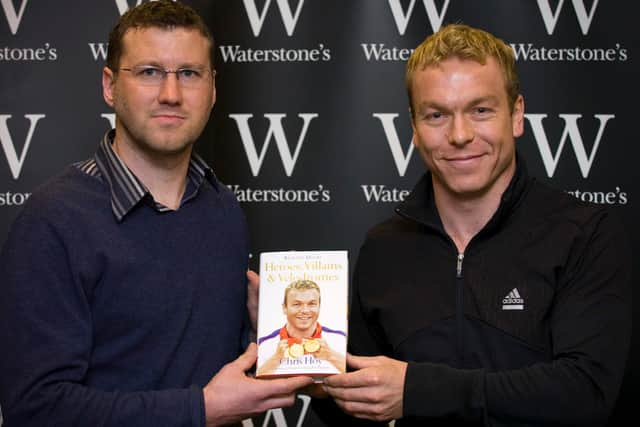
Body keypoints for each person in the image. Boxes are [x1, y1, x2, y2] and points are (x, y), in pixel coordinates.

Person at [0, 1, 312, 426]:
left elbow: (216, 368)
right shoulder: (53, 222)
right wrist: (200, 410)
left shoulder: (223, 210)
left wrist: (271, 331)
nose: (171, 93)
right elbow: (36, 409)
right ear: (110, 86)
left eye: (189, 73)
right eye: (149, 72)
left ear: (213, 88)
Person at [319, 24, 632, 426]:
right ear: (414, 129)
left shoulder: (584, 233)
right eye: (436, 115)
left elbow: (586, 392)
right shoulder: (384, 248)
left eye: (480, 110)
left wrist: (417, 390)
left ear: (516, 115)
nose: (460, 135)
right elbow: (355, 412)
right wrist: (309, 353)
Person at [257, 279, 346, 376]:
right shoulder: (264, 344)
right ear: (284, 308)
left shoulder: (340, 339)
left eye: (312, 304)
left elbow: (351, 374)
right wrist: (275, 359)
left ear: (319, 306)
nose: (305, 310)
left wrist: (330, 356)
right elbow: (256, 379)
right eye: (296, 304)